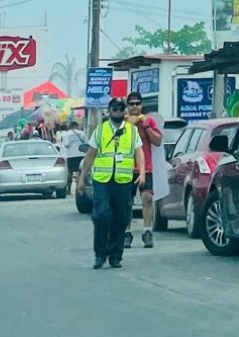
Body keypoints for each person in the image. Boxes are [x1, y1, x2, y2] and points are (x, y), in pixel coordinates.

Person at [77, 98, 145, 269]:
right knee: (102, 215)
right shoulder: (100, 131)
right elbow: (90, 155)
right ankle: (100, 254)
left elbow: (139, 153)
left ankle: (115, 255)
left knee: (121, 218)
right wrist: (82, 179)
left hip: (122, 181)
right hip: (102, 181)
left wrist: (142, 172)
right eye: (115, 109)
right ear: (109, 111)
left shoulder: (131, 131)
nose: (118, 112)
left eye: (121, 109)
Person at [124, 91, 163, 249]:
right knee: (126, 203)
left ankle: (147, 231)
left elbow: (158, 141)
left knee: (147, 198)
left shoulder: (148, 121)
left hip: (145, 168)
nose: (135, 107)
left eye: (137, 104)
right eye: (131, 104)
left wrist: (146, 126)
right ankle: (126, 232)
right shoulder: (122, 122)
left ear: (142, 105)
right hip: (126, 169)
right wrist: (130, 125)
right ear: (127, 106)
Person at [62, 122, 88, 196]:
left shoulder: (66, 134)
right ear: (77, 126)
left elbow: (66, 145)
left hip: (71, 156)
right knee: (81, 172)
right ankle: (79, 189)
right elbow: (86, 144)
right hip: (81, 155)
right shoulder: (82, 133)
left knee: (70, 172)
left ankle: (69, 189)